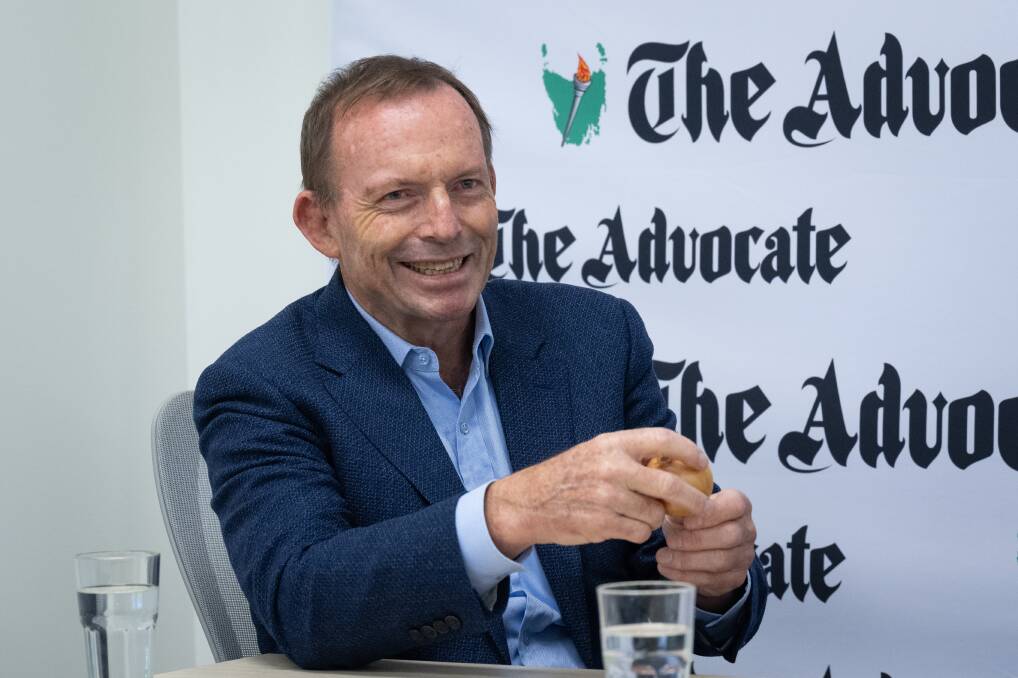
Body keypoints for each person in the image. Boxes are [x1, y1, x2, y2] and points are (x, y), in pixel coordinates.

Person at [194, 55, 766, 670]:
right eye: (398, 196)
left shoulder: (597, 336)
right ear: (320, 223)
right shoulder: (262, 382)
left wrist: (713, 578)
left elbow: (659, 574)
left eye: (466, 185)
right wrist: (511, 513)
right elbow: (306, 603)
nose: (445, 225)